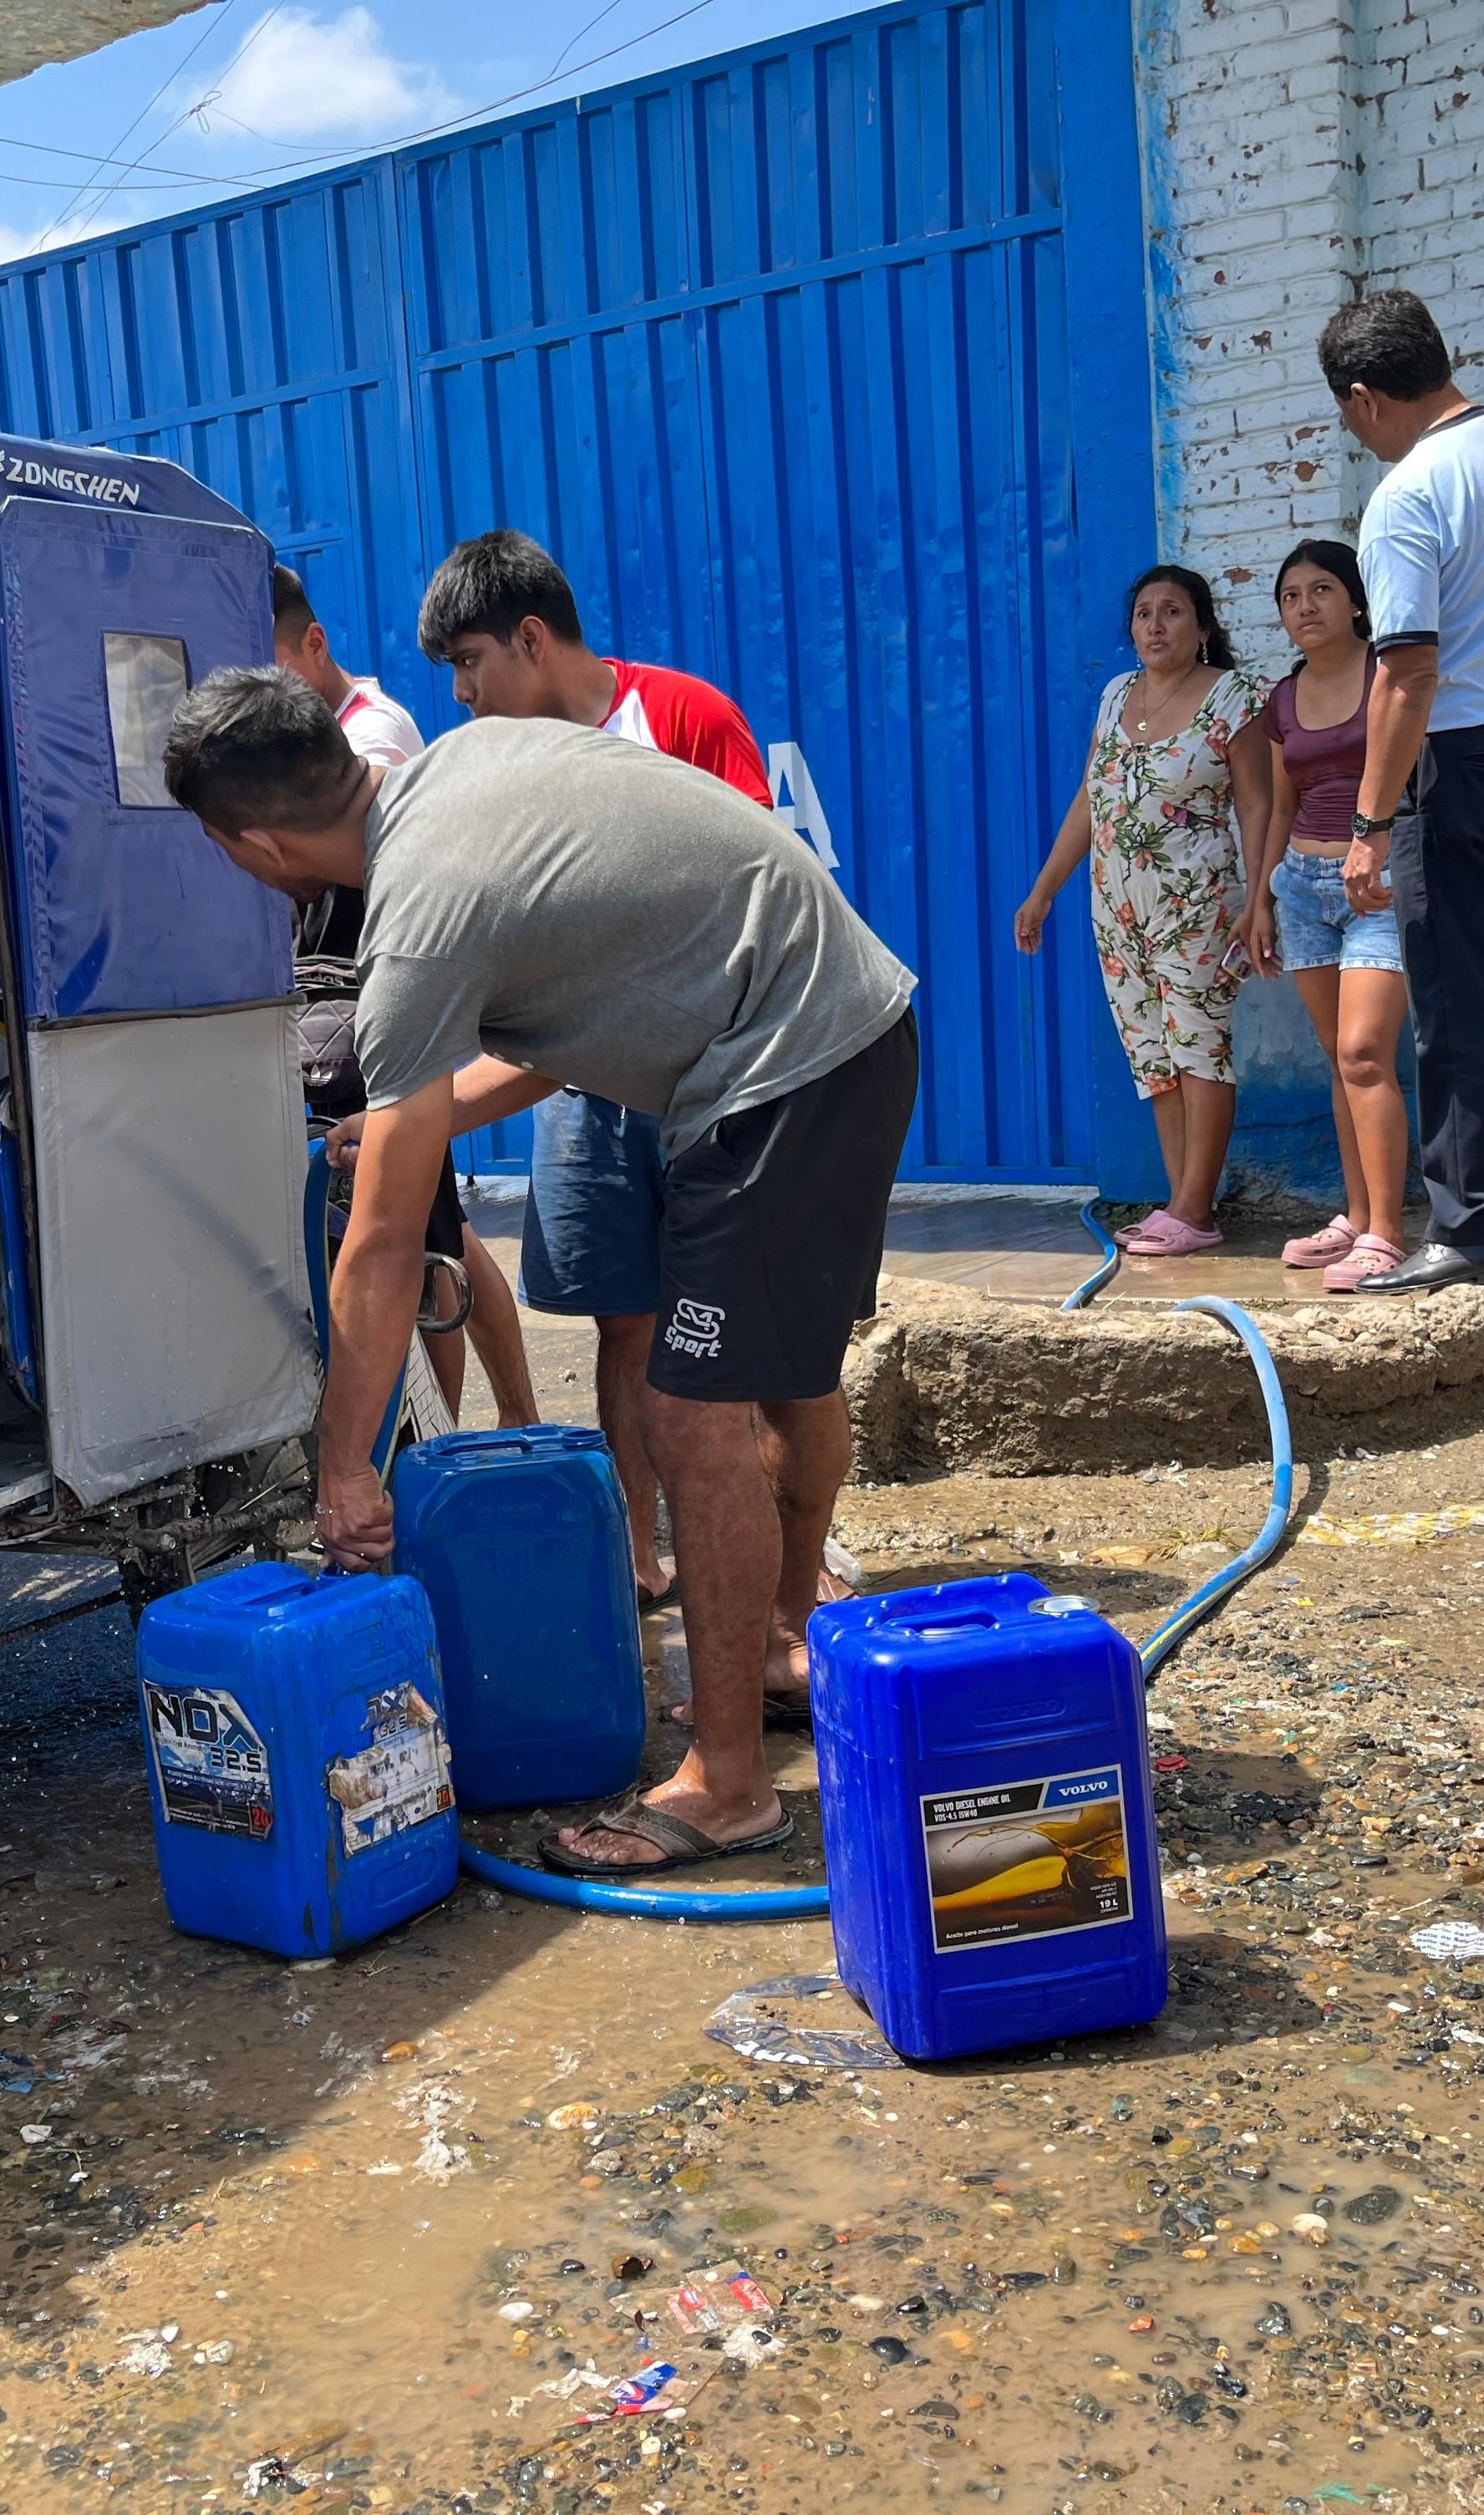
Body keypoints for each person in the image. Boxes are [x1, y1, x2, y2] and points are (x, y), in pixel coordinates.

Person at [161, 668, 917, 1881]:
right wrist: (421, 1117)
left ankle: (731, 1789)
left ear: (251, 842)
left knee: (689, 1415)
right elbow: (579, 1020)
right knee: (755, 1388)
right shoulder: (463, 767)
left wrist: (345, 1467)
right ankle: (770, 1659)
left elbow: (387, 1244)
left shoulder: (415, 912)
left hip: (788, 1068)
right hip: (829, 1033)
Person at [414, 527, 773, 1608]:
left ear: (531, 639)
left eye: (472, 664)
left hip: (709, 1088)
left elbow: (754, 892)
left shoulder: (683, 717)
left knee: (731, 1339)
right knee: (624, 1324)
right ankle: (636, 1549)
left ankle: (757, 1574)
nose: (465, 695)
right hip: (579, 1091)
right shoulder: (494, 770)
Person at [1319, 288, 1484, 1292]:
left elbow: (1406, 671)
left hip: (1463, 766)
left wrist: (1369, 823)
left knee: (1458, 1004)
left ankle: (1468, 1227)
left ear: (1364, 398)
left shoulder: (1405, 494)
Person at [271, 564, 536, 1428]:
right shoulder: (319, 734)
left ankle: (438, 1441)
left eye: (275, 664)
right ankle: (488, 1428)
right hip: (355, 1032)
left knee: (422, 1251)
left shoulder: (370, 734)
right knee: (443, 1244)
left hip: (391, 1022)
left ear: (315, 643)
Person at [1012, 566, 1269, 1252]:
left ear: (1203, 627)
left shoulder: (1234, 697)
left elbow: (1258, 802)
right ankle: (1184, 1208)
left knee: (1199, 1048)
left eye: (1174, 612)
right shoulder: (1116, 695)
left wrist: (1262, 895)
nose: (1156, 625)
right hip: (1118, 911)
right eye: (1145, 613)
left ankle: (1193, 1209)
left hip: (1200, 904)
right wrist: (1042, 892)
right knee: (1153, 1055)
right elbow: (1088, 802)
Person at [1235, 540, 1415, 1294]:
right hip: (1302, 888)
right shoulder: (1283, 698)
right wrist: (1260, 901)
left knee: (1365, 1054)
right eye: (1289, 596)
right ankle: (1355, 1215)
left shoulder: (1392, 675)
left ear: (1355, 600)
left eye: (1321, 591)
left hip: (1377, 883)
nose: (1304, 607)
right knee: (1338, 1063)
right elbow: (1279, 803)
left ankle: (1388, 1235)